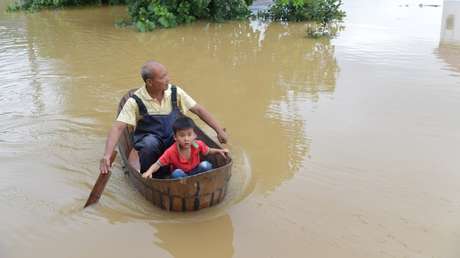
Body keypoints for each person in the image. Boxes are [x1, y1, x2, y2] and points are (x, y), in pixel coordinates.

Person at [99, 60, 228, 177]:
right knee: (150, 144)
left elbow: (198, 110)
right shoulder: (135, 101)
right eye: (162, 77)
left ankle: (179, 172)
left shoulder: (175, 92)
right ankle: (153, 176)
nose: (168, 79)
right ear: (149, 82)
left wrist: (219, 130)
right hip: (151, 142)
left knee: (189, 139)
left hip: (174, 139)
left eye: (167, 75)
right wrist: (107, 156)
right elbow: (118, 127)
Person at [142, 116, 229, 179]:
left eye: (189, 135)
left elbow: (208, 151)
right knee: (176, 173)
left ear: (194, 135)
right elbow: (158, 164)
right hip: (182, 176)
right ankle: (185, 188)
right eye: (182, 136)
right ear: (175, 138)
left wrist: (219, 151)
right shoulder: (171, 151)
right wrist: (149, 172)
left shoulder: (197, 144)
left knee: (206, 165)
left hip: (196, 171)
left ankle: (206, 181)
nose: (186, 139)